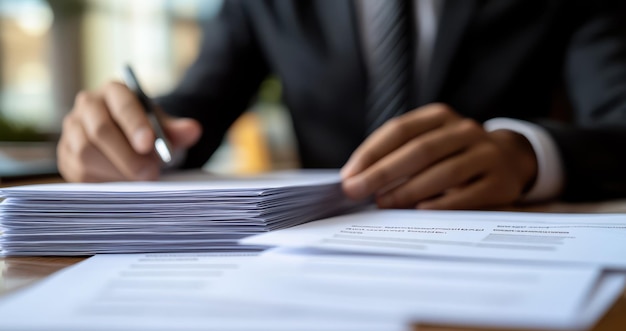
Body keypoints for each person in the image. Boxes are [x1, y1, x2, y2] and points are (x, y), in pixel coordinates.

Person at [57, 0, 626, 209]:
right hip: (313, 249)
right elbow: (194, 114)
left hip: (506, 242)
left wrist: (526, 154)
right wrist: (129, 134)